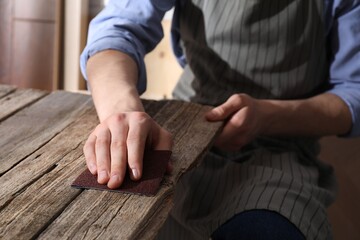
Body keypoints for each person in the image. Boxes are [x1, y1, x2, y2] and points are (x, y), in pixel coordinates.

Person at [80, 0, 360, 239]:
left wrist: (267, 117)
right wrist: (123, 108)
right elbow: (116, 29)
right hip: (177, 135)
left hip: (280, 150)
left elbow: (354, 92)